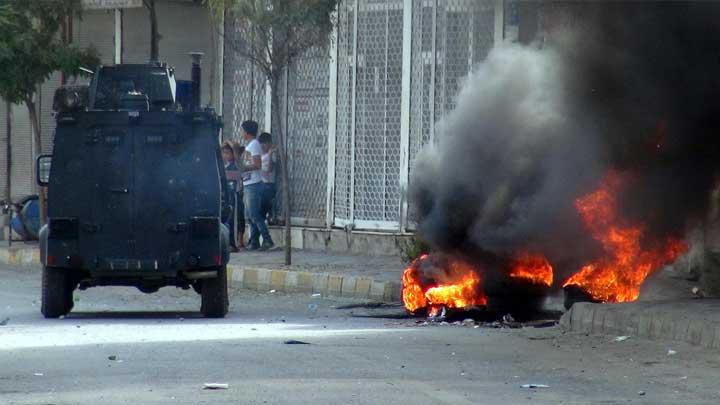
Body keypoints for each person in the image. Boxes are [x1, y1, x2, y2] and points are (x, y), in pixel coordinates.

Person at [240, 120, 274, 251]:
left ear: (247, 132)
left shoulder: (254, 145)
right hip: (249, 184)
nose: (241, 133)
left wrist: (244, 167)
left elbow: (258, 165)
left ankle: (267, 239)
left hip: (254, 185)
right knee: (249, 215)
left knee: (254, 215)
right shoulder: (250, 145)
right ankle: (254, 241)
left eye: (242, 130)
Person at [221, 141, 240, 252]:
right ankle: (227, 243)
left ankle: (233, 244)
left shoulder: (235, 165)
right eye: (224, 153)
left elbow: (236, 175)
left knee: (233, 220)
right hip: (225, 196)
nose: (225, 155)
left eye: (228, 153)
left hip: (233, 195)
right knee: (226, 220)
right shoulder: (223, 165)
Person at [258, 132, 277, 224]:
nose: (263, 146)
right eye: (261, 143)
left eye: (265, 143)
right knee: (260, 210)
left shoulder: (271, 155)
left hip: (268, 185)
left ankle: (270, 218)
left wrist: (269, 155)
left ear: (270, 143)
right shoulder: (260, 156)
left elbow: (270, 169)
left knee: (265, 207)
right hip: (260, 185)